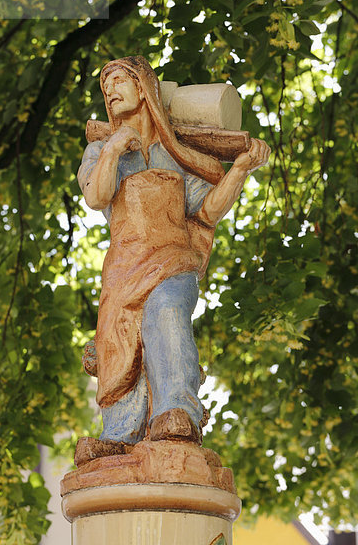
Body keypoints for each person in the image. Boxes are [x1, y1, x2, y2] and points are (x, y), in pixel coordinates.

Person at [77, 56, 270, 456]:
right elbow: (97, 196)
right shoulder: (98, 151)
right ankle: (120, 434)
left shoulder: (176, 156)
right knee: (120, 342)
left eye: (118, 81)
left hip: (172, 261)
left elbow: (208, 209)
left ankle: (176, 413)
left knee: (166, 311)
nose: (110, 91)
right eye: (105, 86)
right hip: (124, 268)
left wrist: (241, 169)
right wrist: (113, 146)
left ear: (144, 88)